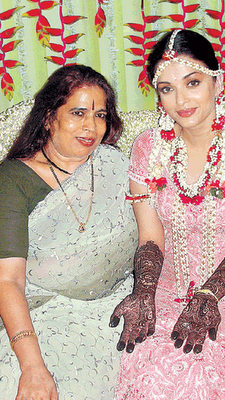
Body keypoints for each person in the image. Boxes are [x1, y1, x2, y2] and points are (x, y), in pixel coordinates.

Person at [109, 29, 225, 399]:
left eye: (192, 82)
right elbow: (151, 238)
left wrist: (207, 297)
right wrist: (143, 293)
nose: (181, 100)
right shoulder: (147, 148)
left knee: (202, 375)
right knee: (149, 371)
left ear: (217, 84)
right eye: (167, 88)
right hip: (163, 293)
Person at [0, 65, 138, 400]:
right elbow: (8, 281)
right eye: (78, 112)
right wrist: (33, 367)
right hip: (40, 316)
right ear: (49, 118)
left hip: (115, 313)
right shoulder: (13, 182)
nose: (91, 127)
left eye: (101, 115)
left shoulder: (114, 166)